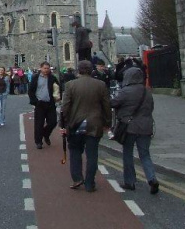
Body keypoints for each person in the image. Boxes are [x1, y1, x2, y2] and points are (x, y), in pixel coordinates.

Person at [60, 60, 111, 192]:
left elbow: (65, 107)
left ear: (79, 70)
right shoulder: (100, 85)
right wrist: (107, 123)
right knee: (92, 154)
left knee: (75, 151)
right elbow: (106, 106)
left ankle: (77, 178)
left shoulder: (70, 85)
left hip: (76, 124)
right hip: (94, 124)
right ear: (91, 70)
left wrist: (63, 123)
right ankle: (89, 183)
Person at [111, 66, 159, 194]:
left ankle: (130, 181)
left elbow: (113, 103)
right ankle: (152, 178)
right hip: (146, 127)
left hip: (129, 127)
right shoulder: (147, 91)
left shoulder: (125, 91)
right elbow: (151, 107)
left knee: (128, 154)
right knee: (145, 155)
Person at [28, 61, 59, 149]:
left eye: (48, 68)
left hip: (50, 104)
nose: (46, 70)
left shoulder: (52, 78)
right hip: (40, 103)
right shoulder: (35, 77)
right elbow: (31, 90)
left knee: (53, 122)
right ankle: (38, 142)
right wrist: (34, 101)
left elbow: (58, 87)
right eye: (44, 68)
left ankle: (45, 134)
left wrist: (57, 97)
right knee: (39, 123)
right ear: (41, 68)